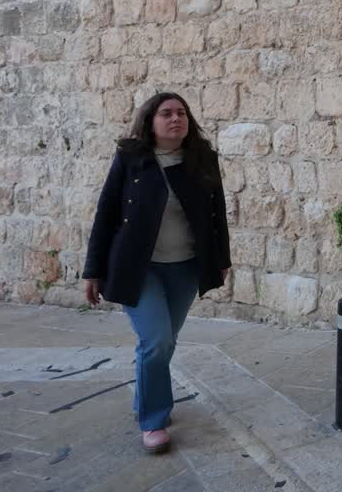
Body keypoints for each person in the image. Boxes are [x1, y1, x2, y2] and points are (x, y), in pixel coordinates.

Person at [82, 92, 231, 454]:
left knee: (163, 342)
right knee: (156, 341)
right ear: (150, 121)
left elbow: (218, 215)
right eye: (166, 113)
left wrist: (222, 259)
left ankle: (145, 398)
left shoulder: (202, 159)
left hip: (185, 267)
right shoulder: (131, 159)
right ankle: (154, 420)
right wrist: (93, 271)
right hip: (138, 268)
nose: (175, 118)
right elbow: (106, 215)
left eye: (181, 112)